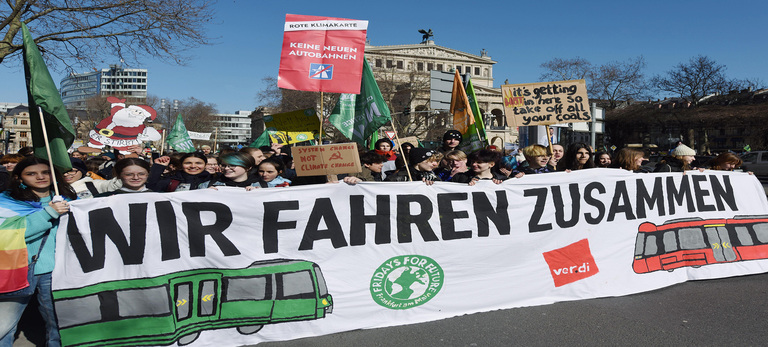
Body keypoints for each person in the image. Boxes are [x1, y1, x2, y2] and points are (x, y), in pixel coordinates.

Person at [0, 157, 75, 346]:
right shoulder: (6, 202)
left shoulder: (70, 201)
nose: (40, 177)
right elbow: (7, 235)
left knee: (59, 325)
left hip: (57, 271)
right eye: (31, 173)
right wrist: (49, 213)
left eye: (45, 172)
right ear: (19, 178)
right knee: (4, 326)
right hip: (17, 269)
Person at [147, 152, 212, 192]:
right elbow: (151, 188)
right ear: (181, 164)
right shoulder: (171, 180)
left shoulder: (214, 179)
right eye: (188, 163)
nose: (193, 166)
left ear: (205, 165)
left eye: (198, 163)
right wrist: (158, 166)